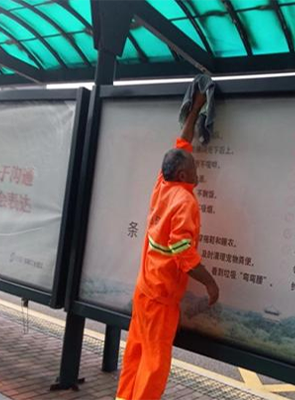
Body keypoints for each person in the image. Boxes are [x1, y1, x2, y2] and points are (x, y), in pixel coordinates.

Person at [116, 92, 220, 400]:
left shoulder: (162, 185)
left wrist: (196, 108)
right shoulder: (184, 201)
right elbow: (182, 252)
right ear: (184, 175)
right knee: (155, 362)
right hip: (161, 298)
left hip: (144, 289)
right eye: (195, 167)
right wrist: (210, 283)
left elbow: (181, 144)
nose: (199, 171)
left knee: (136, 351)